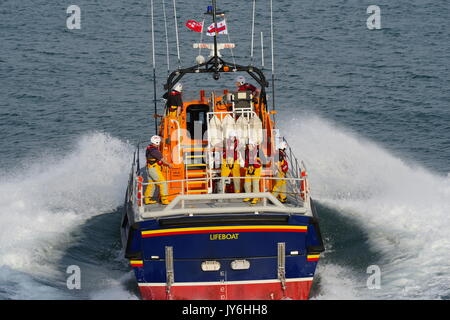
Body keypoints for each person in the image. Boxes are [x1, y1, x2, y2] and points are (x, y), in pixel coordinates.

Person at [144, 135, 173, 205]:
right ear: (156, 143)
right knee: (163, 183)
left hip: (149, 168)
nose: (159, 144)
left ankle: (147, 199)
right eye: (159, 142)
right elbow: (162, 160)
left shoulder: (149, 149)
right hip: (153, 169)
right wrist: (169, 164)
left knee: (151, 185)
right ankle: (164, 200)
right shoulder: (155, 151)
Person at [243, 140, 262, 204]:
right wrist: (245, 166)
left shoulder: (258, 152)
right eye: (248, 145)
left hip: (256, 169)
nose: (248, 146)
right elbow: (246, 160)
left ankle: (255, 197)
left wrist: (254, 162)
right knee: (246, 183)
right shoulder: (247, 151)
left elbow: (260, 163)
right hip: (249, 169)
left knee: (255, 184)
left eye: (250, 145)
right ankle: (248, 196)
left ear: (253, 145)